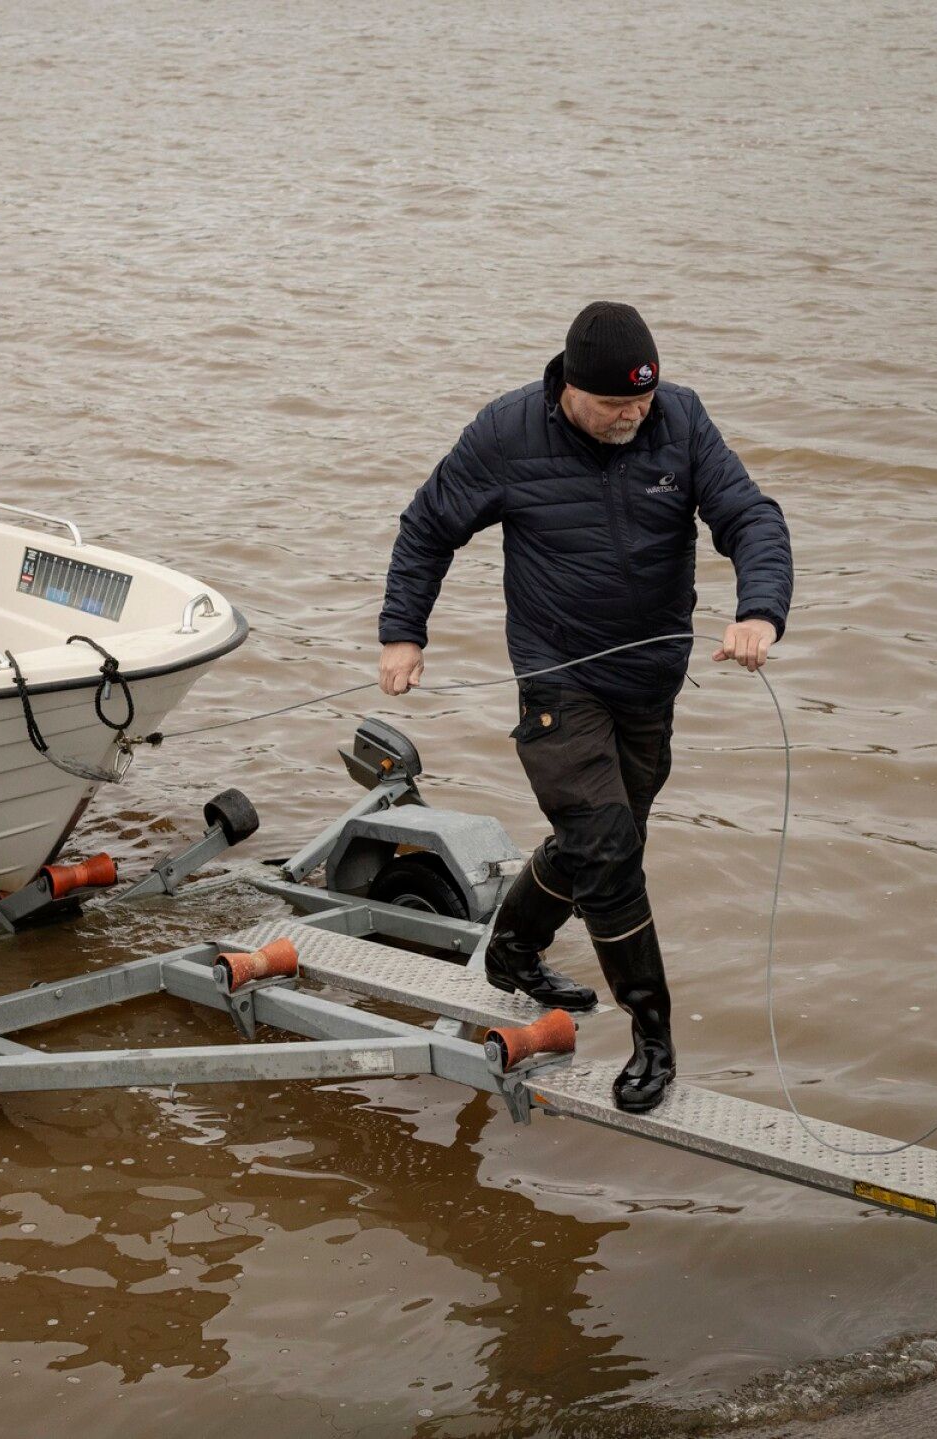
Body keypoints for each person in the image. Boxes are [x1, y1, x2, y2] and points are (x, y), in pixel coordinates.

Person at [377, 302, 793, 1113]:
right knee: (606, 846)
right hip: (557, 677)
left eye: (643, 399)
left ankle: (513, 949)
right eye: (614, 404)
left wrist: (760, 611)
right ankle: (653, 1033)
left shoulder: (681, 420)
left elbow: (750, 516)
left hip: (650, 682)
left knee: (606, 837)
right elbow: (428, 527)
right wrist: (403, 632)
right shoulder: (507, 434)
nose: (632, 416)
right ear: (569, 387)